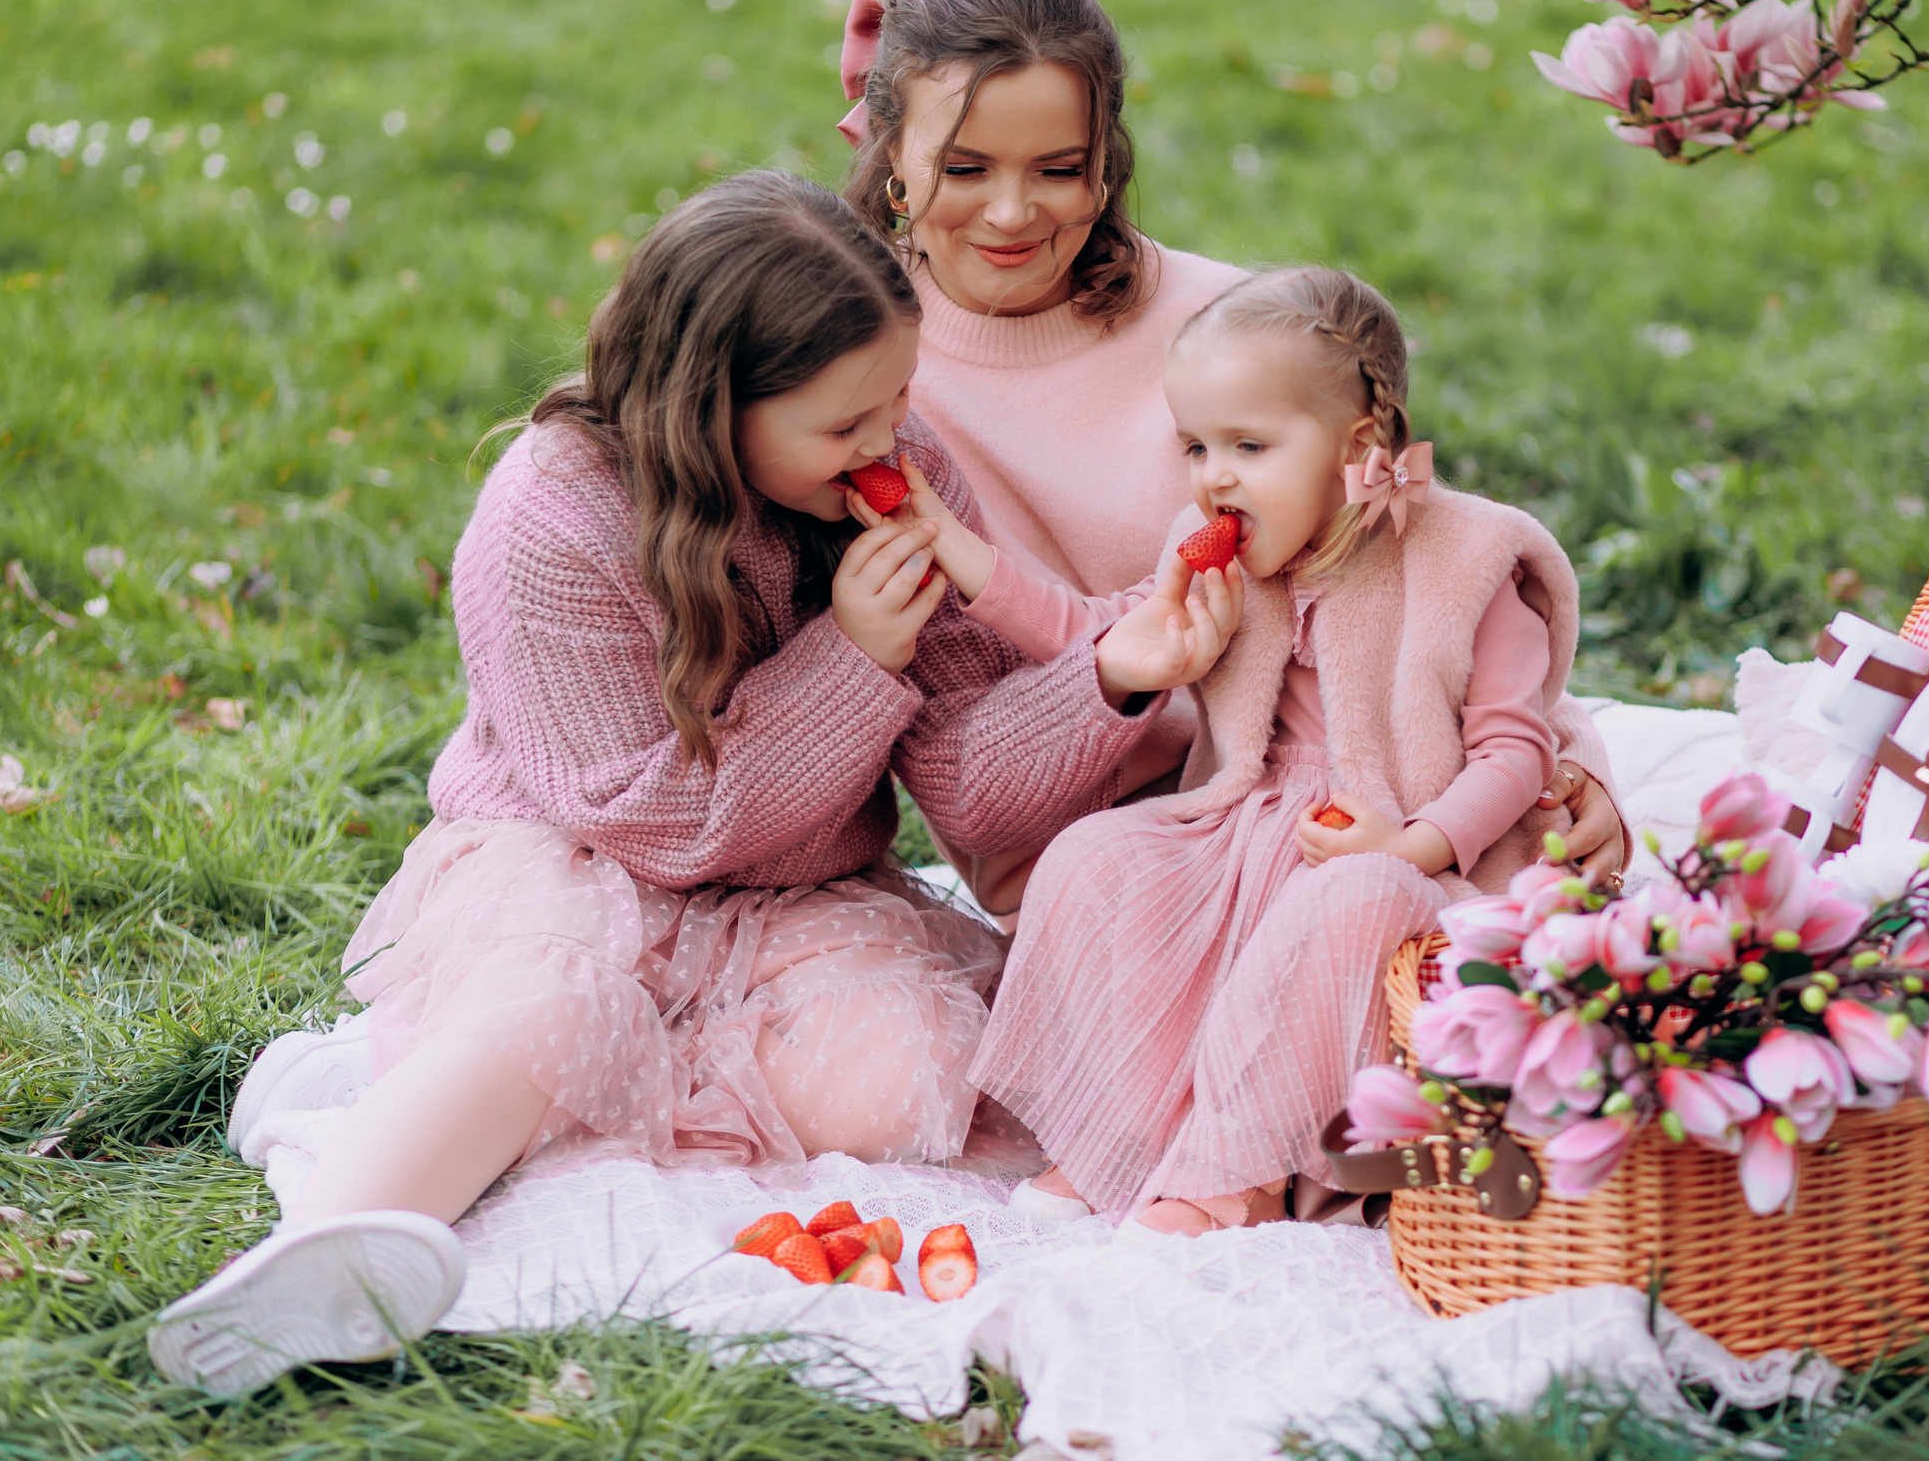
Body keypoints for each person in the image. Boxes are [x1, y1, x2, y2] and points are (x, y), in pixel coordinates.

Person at [153, 171, 1217, 1397]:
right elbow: (651, 822)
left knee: (914, 1072)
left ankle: (483, 1098)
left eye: (900, 401)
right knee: (560, 1003)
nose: (890, 447)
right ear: (712, 409)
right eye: (844, 425)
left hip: (793, 888)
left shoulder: (895, 475)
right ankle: (319, 1254)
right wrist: (852, 659)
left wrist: (1108, 676)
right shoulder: (552, 521)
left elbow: (970, 793)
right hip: (573, 860)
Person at [832, 0, 1625, 919]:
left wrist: (1568, 769)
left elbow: (1419, 587)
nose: (1011, 211)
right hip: (1101, 871)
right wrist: (1115, 681)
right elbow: (963, 779)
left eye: (1058, 169)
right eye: (964, 167)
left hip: (1345, 821)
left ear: (1106, 159)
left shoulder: (1229, 328)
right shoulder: (862, 394)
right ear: (888, 157)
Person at [904, 265, 1582, 1234]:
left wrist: (1416, 846)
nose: (1212, 476)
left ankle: (1240, 1171)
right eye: (1194, 445)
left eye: (1248, 446)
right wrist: (948, 547)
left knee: (1351, 901)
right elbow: (1088, 627)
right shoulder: (1221, 554)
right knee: (1102, 858)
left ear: (1359, 445)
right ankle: (1119, 1142)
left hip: (1413, 856)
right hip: (1246, 817)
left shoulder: (1463, 562)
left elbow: (1513, 752)